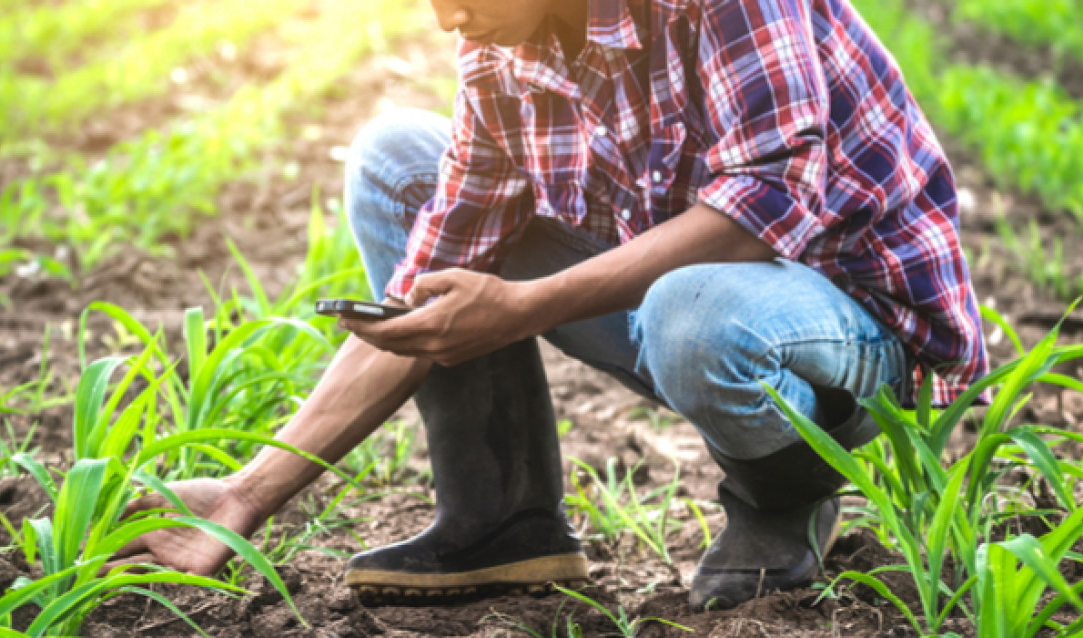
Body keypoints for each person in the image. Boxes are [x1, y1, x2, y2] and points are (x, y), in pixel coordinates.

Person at [110, 0, 988, 611]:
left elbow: (760, 208)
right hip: (695, 308)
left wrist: (523, 304)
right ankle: (499, 518)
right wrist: (246, 494)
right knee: (395, 163)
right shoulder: (503, 46)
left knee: (693, 310)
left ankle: (784, 494)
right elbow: (428, 289)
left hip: (858, 330)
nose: (444, 15)